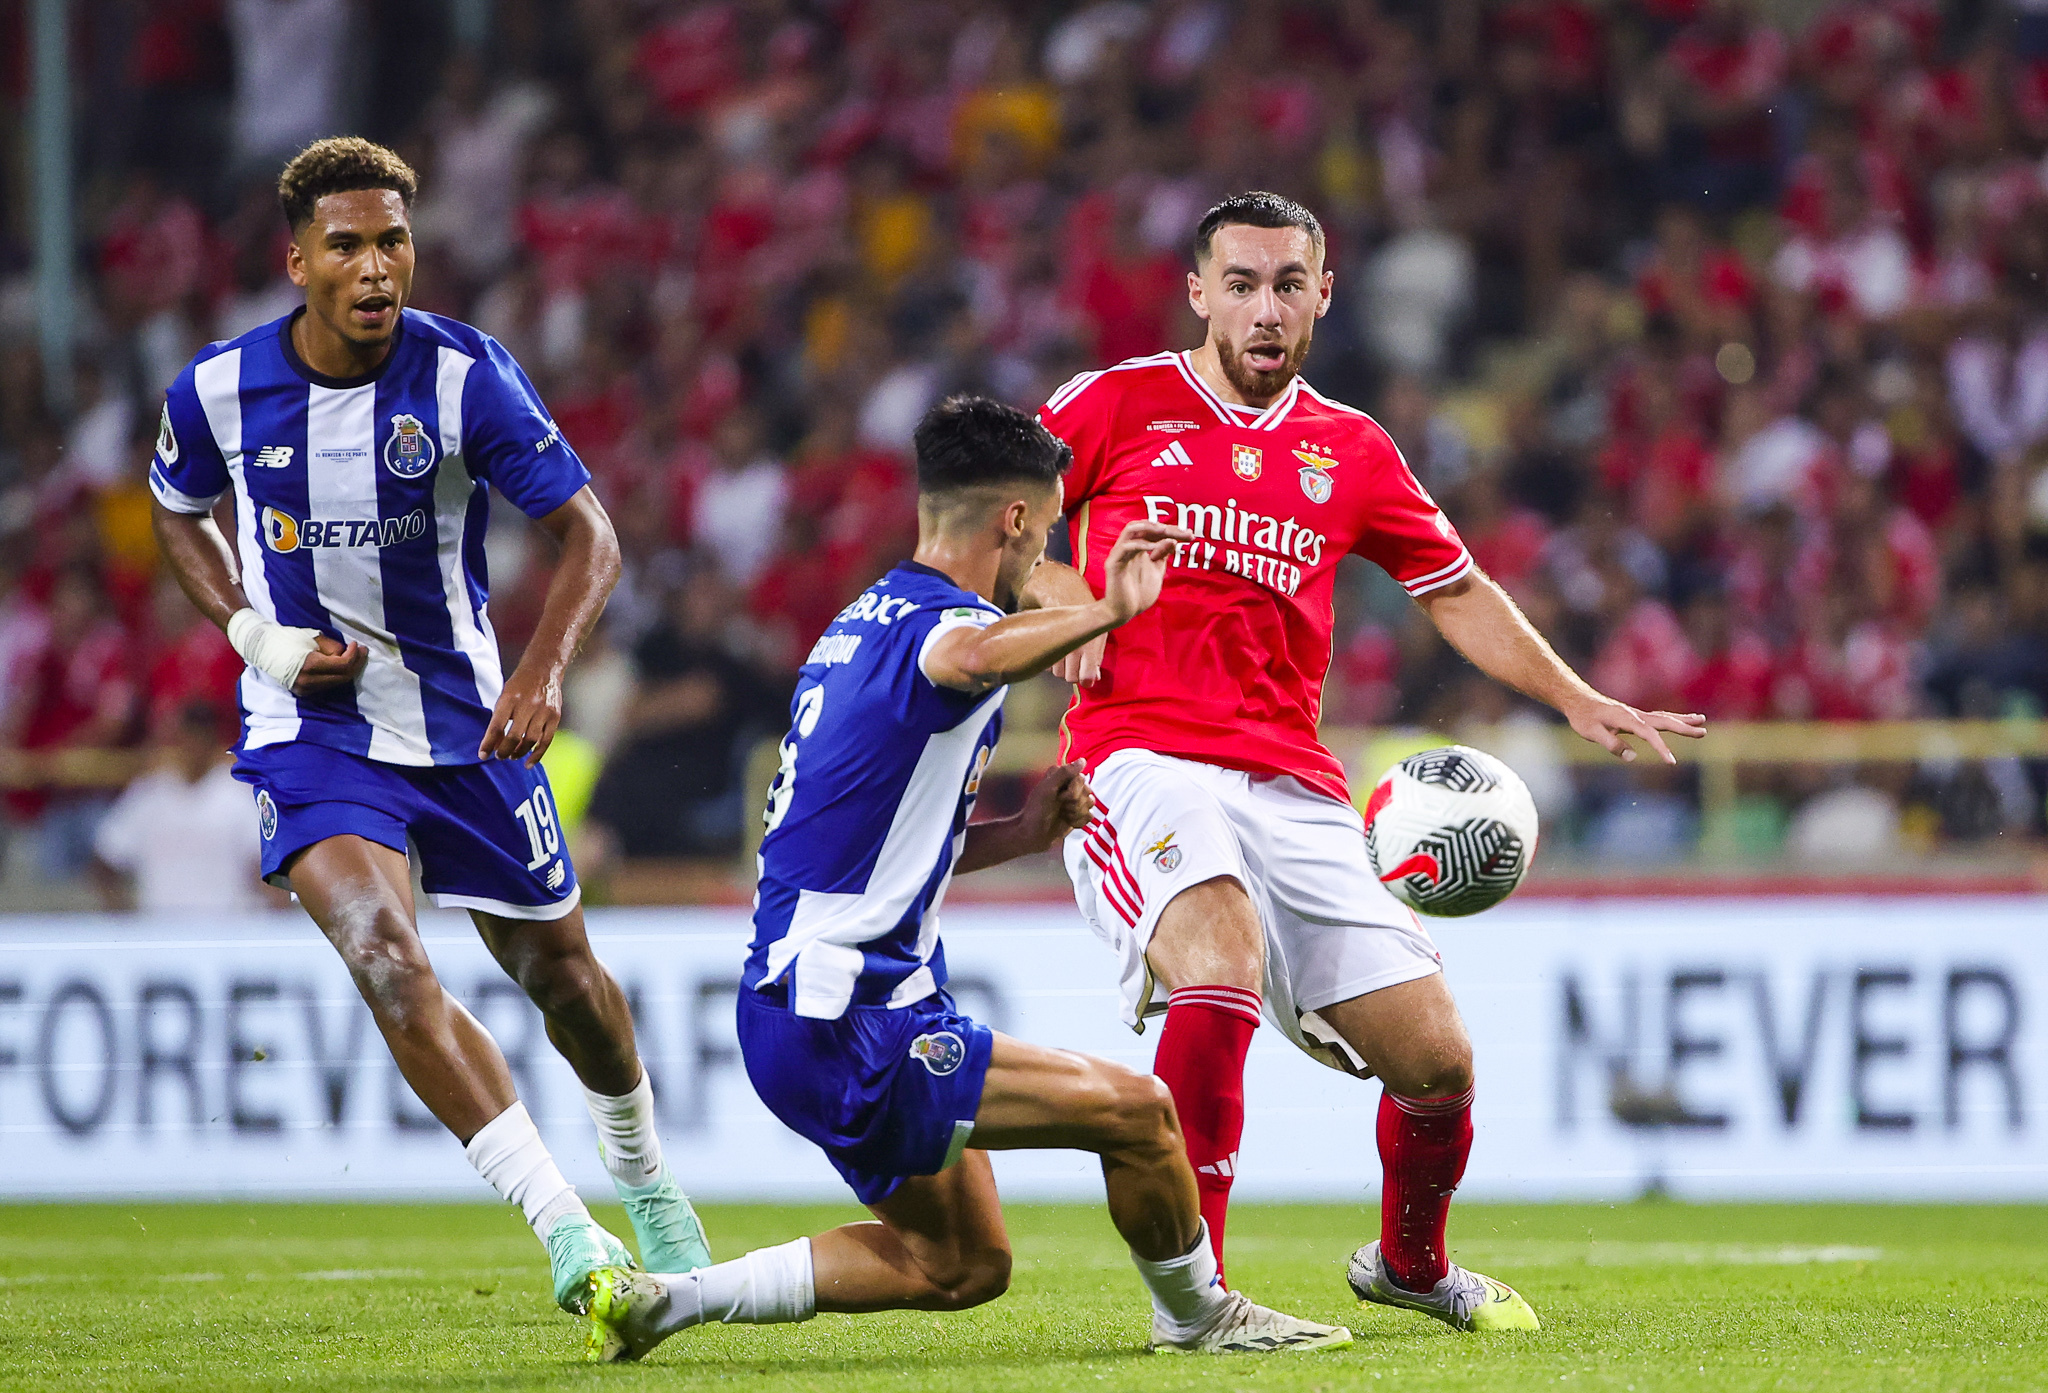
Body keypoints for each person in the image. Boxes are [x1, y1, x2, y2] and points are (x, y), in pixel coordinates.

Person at [1030, 192, 1707, 1332]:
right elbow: (989, 523)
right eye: (1238, 283)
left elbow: (1454, 590)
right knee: (1218, 952)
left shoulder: (1349, 447)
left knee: (1436, 1062)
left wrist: (1574, 695)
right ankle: (1197, 1302)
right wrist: (1066, 598)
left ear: (1322, 295)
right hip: (1138, 749)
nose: (1263, 307)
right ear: (1195, 293)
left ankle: (1407, 1263)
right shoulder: (1107, 405)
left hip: (1293, 780)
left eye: (1286, 284)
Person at [581, 397, 1350, 1362]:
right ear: (1014, 521)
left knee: (960, 1264)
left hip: (801, 1007)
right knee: (1141, 1116)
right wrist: (1108, 610)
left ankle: (669, 1300)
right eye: (1051, 522)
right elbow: (970, 654)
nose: (1050, 552)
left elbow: (890, 837)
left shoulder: (857, 622)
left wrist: (1022, 832)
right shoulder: (943, 631)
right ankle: (1201, 1316)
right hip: (850, 1017)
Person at [147, 136, 710, 1317]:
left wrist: (544, 673)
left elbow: (590, 536)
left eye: (392, 241)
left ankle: (646, 1180)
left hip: (468, 727)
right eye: (345, 245)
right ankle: (570, 1234)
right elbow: (178, 511)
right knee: (386, 958)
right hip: (316, 732)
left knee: (565, 979)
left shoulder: (466, 377)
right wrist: (255, 635)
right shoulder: (214, 388)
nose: (373, 267)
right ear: (295, 259)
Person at [91, 698, 275, 912]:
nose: (195, 746)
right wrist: (122, 917)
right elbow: (104, 860)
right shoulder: (151, 793)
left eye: (202, 738)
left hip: (226, 930)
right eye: (190, 736)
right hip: (160, 931)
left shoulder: (237, 796)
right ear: (179, 738)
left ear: (214, 741)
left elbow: (266, 867)